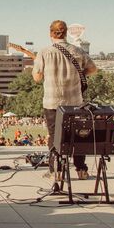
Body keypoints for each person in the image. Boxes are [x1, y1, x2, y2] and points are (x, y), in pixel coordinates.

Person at [33, 20, 97, 180]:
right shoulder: (77, 51)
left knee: (54, 137)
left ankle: (57, 171)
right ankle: (81, 170)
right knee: (78, 136)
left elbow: (37, 77)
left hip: (52, 102)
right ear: (66, 32)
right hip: (75, 102)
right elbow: (93, 69)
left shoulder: (44, 52)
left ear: (50, 33)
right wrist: (78, 74)